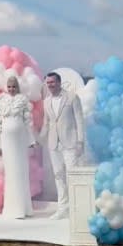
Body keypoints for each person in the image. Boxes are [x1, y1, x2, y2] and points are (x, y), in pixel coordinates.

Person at [39, 70, 86, 219]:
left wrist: (80, 141)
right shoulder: (46, 101)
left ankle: (77, 208)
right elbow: (46, 124)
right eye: (48, 83)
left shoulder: (72, 97)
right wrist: (38, 140)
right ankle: (62, 208)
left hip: (70, 142)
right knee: (58, 176)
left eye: (52, 82)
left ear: (59, 82)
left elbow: (79, 120)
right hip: (54, 144)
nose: (50, 85)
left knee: (72, 175)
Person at [0, 75, 37, 219]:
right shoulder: (0, 100)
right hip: (6, 142)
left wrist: (31, 140)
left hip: (20, 141)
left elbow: (27, 122)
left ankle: (24, 208)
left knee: (21, 171)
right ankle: (12, 209)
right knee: (10, 173)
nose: (11, 89)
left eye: (14, 86)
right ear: (7, 87)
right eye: (9, 86)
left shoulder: (23, 100)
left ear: (18, 87)